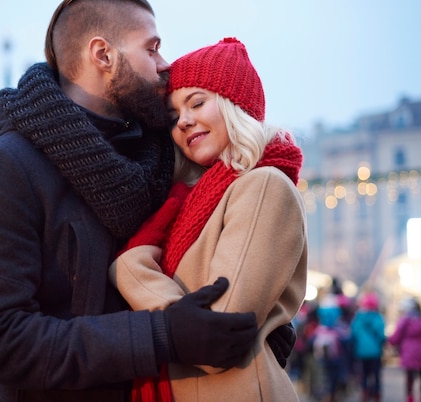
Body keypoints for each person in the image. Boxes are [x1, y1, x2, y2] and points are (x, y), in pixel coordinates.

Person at [0, 0, 293, 401]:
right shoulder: (3, 171)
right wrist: (162, 336)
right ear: (103, 55)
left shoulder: (163, 161)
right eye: (152, 49)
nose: (165, 66)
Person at [109, 37, 307, 401]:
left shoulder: (263, 186)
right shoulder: (190, 200)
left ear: (236, 105)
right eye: (173, 116)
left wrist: (132, 264)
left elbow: (219, 330)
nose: (184, 121)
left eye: (197, 102)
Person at [389, 297, 421, 402]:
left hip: (408, 353)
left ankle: (410, 398)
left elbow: (395, 338)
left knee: (410, 379)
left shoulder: (404, 322)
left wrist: (390, 342)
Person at [350, 291, 386, 402]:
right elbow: (381, 335)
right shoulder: (378, 317)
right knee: (376, 375)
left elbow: (353, 333)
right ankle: (376, 395)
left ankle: (365, 394)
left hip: (361, 352)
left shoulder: (358, 317)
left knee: (364, 374)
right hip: (376, 352)